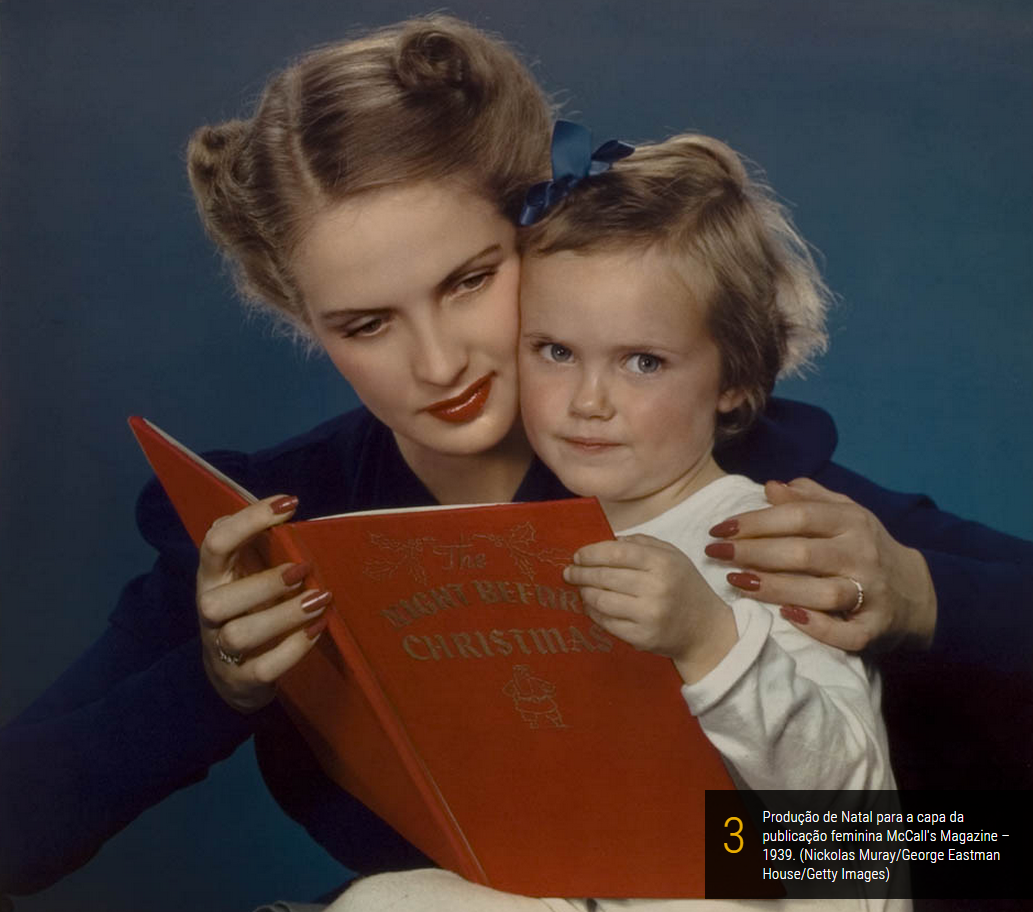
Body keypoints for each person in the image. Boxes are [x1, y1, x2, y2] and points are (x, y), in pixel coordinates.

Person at [0, 12, 1028, 904]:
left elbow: (959, 851)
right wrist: (218, 684)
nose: (439, 362)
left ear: (540, 228)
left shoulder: (692, 459)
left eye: (469, 280)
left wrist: (916, 590)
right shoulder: (272, 523)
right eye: (365, 323)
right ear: (298, 316)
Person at [325, 125, 905, 912]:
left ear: (734, 377)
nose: (588, 401)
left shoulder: (767, 540)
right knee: (387, 901)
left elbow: (856, 835)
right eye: (555, 352)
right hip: (595, 887)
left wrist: (709, 642)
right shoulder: (542, 539)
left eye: (642, 362)